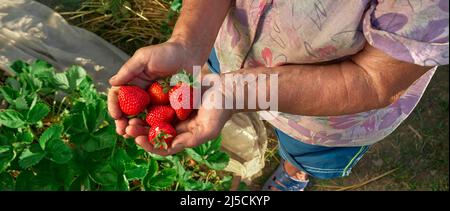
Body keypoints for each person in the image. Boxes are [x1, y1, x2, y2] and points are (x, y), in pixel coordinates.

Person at [107, 0, 449, 191]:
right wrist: (187, 43)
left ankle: (295, 171)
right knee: (211, 90)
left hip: (327, 117)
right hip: (226, 50)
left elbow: (372, 81)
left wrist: (235, 92)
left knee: (306, 152)